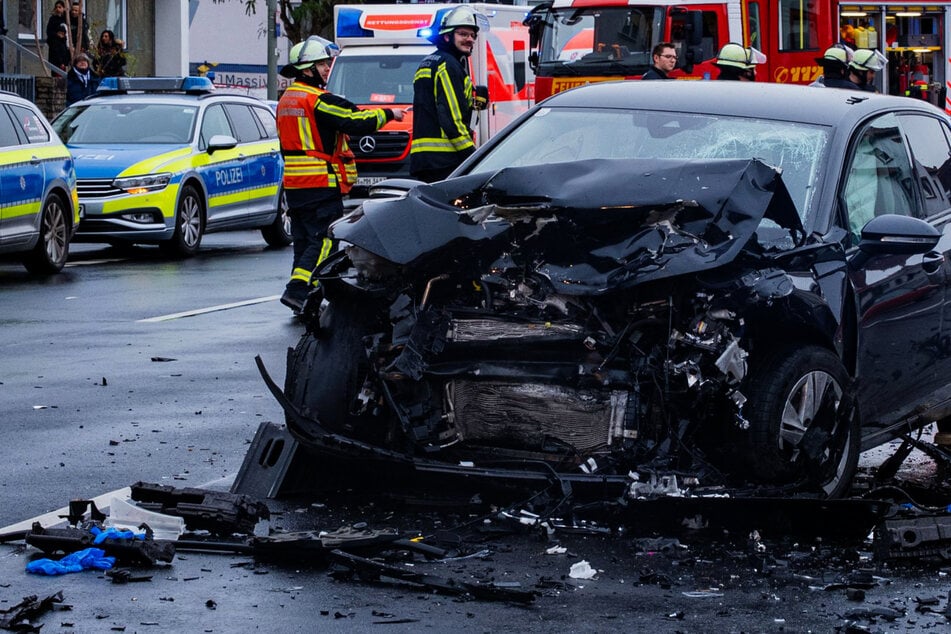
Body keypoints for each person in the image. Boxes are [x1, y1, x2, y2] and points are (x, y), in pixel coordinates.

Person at [276, 36, 403, 314]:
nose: (326, 68)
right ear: (306, 69)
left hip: (295, 185)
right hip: (319, 181)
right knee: (324, 239)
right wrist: (389, 113)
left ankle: (306, 299)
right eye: (321, 64)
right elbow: (355, 121)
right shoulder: (317, 99)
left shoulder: (287, 99)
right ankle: (297, 290)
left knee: (304, 242)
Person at [409, 6, 479, 183]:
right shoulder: (448, 66)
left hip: (425, 159)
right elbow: (450, 116)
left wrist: (474, 102)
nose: (469, 39)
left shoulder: (428, 62)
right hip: (445, 159)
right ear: (447, 36)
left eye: (472, 35)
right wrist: (472, 155)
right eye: (463, 34)